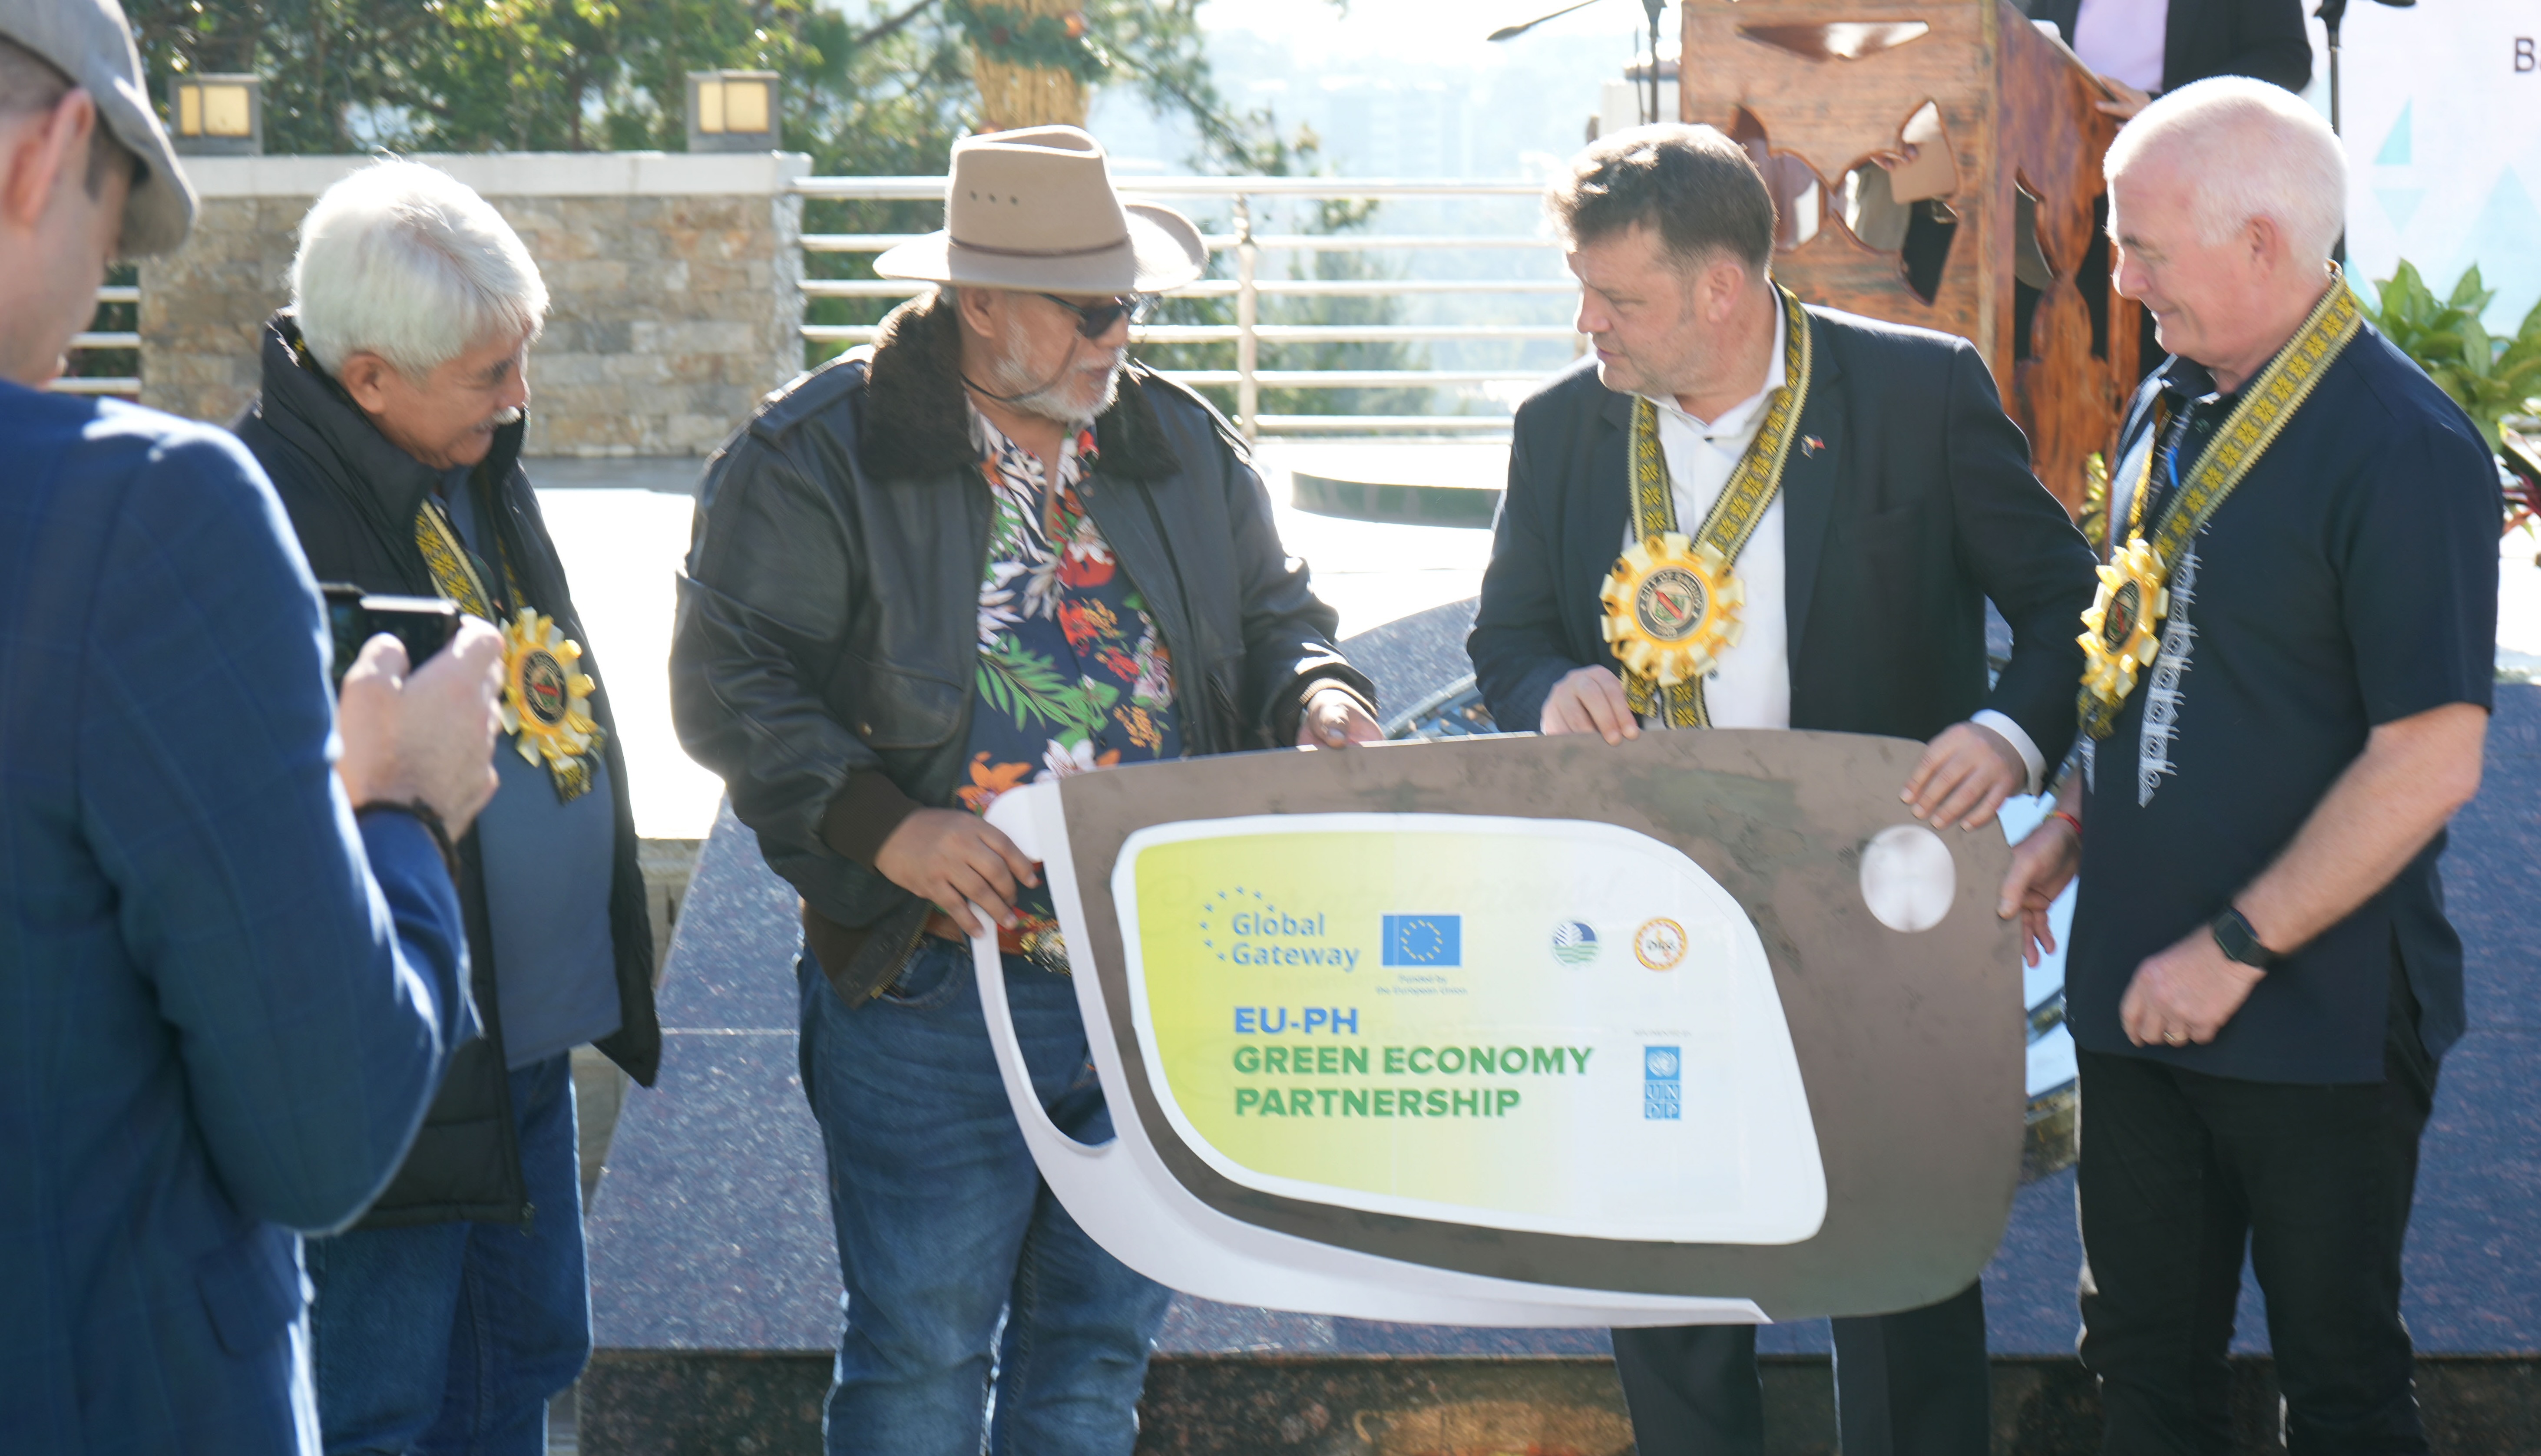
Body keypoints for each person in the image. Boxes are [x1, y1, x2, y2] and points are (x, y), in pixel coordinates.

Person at [672, 125, 1379, 1453]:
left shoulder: (1178, 438)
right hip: (933, 988)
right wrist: (889, 827)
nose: (1120, 337)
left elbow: (1277, 615)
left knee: (1094, 1361)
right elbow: (730, 681)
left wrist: (1317, 692)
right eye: (1088, 309)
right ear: (982, 302)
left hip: (1157, 987)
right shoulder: (815, 454)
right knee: (920, 1359)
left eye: (1130, 307)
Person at [1467, 124, 2099, 1456]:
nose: (1588, 323)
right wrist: (1549, 688)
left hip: (1880, 918)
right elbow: (1508, 633)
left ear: (1720, 289)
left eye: (1617, 297)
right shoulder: (1559, 427)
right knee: (1668, 1284)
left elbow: (2065, 606)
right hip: (1647, 928)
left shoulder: (1919, 394)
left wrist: (2008, 736)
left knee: (1898, 1285)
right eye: (1582, 292)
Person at [0, 3, 503, 1451]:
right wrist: (400, 810)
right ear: (50, 153)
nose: (95, 297)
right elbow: (323, 1135)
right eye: (111, 235)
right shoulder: (147, 514)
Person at [1996, 78, 2497, 1454]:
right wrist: (2073, 823)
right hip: (2134, 996)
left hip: (2313, 1011)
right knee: (2139, 1367)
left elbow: (2432, 757)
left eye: (2145, 249)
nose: (2120, 279)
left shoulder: (2403, 445)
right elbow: (2154, 658)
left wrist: (2231, 947)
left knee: (2336, 1381)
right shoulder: (2166, 402)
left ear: (2264, 242)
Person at [232, 159, 661, 1454]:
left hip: (524, 1044)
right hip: (393, 1079)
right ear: (370, 378)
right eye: (491, 373)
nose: (519, 396)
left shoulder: (468, 453)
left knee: (522, 1368)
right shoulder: (249, 516)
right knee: (378, 1409)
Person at [2025, 0, 2313, 121]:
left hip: (2186, 171)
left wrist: (2168, 109)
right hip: (2059, 167)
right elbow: (2022, 32)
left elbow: (2286, 60)